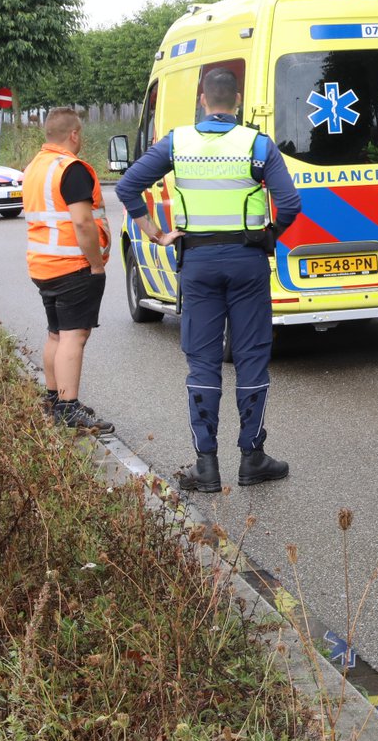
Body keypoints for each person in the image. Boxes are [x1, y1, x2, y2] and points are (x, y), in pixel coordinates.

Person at [116, 69, 300, 492]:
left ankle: (206, 465)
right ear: (236, 100)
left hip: (197, 261)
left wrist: (155, 233)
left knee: (202, 360)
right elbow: (290, 203)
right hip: (247, 260)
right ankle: (252, 457)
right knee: (251, 356)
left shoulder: (177, 143)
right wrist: (270, 234)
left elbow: (128, 187)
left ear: (202, 100)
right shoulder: (257, 144)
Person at [23, 107, 115, 434]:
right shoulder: (71, 169)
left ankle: (53, 399)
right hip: (72, 265)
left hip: (43, 265)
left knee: (56, 334)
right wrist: (95, 263)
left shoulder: (35, 166)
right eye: (81, 133)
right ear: (74, 134)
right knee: (74, 336)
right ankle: (69, 406)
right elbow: (82, 221)